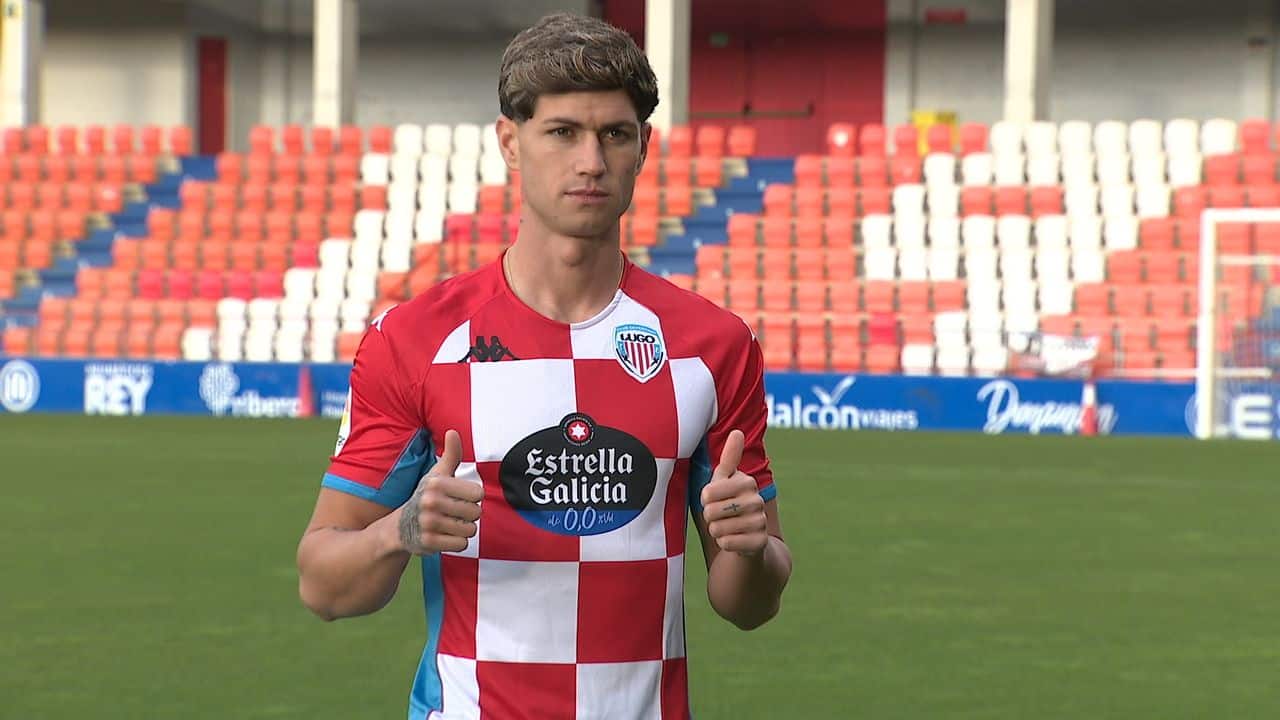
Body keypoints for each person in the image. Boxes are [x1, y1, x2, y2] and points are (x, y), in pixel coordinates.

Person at [296, 12, 792, 719]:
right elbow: (323, 585)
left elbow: (747, 604)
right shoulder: (414, 340)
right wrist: (401, 530)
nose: (590, 161)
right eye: (562, 132)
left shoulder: (714, 345)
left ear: (643, 148)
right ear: (510, 141)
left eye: (614, 134)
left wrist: (752, 550)